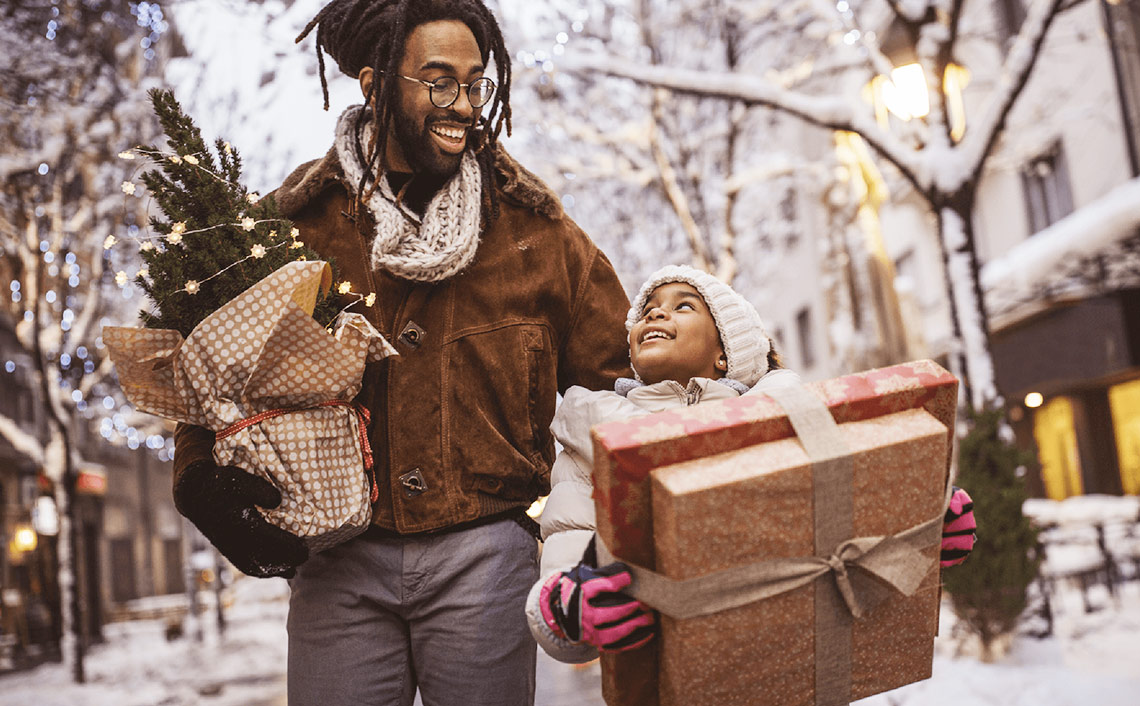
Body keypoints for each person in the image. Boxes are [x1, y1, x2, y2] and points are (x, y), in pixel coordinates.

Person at [167, 1, 631, 704]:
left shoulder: (536, 233)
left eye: (476, 83)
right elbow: (214, 378)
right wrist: (199, 475)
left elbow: (627, 382)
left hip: (488, 560)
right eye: (438, 80)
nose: (464, 104)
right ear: (374, 82)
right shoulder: (290, 229)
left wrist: (736, 385)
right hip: (337, 567)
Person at [525, 265, 978, 662]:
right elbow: (566, 553)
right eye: (648, 310)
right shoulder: (591, 441)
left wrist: (926, 530)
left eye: (683, 306)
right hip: (667, 679)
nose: (655, 313)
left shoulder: (791, 419)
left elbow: (852, 536)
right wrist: (565, 609)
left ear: (725, 354)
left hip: (790, 669)